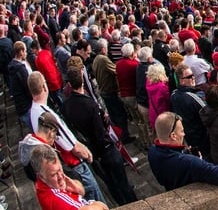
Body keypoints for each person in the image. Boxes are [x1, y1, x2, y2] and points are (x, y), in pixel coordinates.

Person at [61, 68, 138, 205]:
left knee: (110, 183)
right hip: (105, 149)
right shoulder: (89, 104)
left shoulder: (66, 105)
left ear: (69, 84)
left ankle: (121, 203)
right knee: (122, 181)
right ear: (82, 82)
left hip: (92, 151)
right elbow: (99, 131)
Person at [27, 72, 106, 204]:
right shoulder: (47, 115)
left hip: (63, 167)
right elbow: (73, 146)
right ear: (44, 87)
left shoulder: (33, 112)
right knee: (97, 201)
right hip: (75, 165)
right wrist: (88, 155)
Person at [148, 111, 218, 191]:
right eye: (182, 131)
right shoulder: (190, 162)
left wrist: (183, 153)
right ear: (173, 136)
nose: (184, 134)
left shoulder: (152, 151)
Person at [30, 144, 109, 210]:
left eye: (60, 169)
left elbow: (80, 190)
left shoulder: (49, 180)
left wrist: (78, 189)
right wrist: (99, 204)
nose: (60, 176)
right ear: (41, 176)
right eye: (54, 174)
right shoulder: (54, 198)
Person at [170, 63, 210, 158]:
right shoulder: (193, 97)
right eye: (189, 76)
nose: (193, 78)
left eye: (193, 75)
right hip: (201, 136)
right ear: (182, 81)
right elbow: (208, 114)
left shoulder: (173, 95)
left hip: (188, 137)